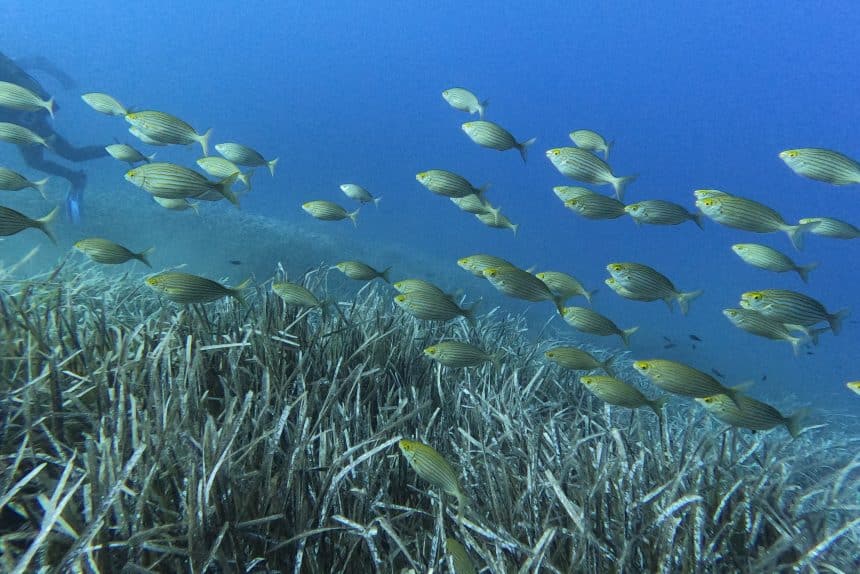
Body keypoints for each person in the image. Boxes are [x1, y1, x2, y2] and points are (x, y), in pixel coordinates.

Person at [0, 50, 108, 223]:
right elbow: (37, 61)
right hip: (18, 122)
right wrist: (63, 78)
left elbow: (37, 61)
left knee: (72, 155)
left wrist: (63, 78)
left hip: (29, 120)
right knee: (36, 161)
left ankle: (117, 151)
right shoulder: (8, 65)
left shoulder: (6, 67)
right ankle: (77, 177)